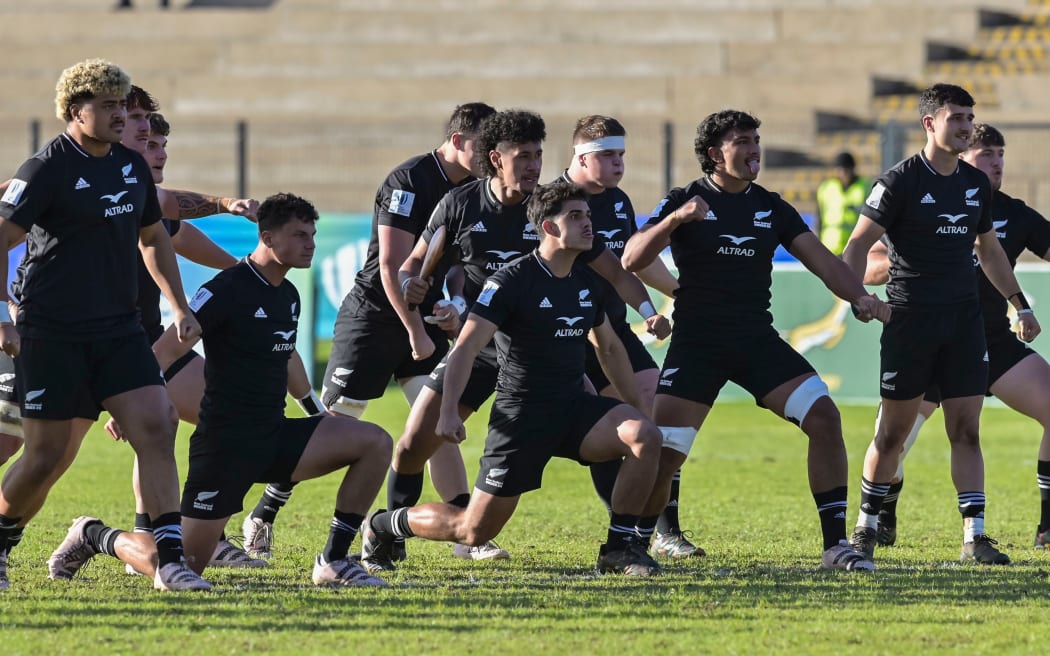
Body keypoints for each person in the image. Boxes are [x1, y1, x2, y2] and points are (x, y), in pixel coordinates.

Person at [46, 193, 393, 589]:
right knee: (178, 570)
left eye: (312, 235)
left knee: (375, 442)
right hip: (224, 448)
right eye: (299, 235)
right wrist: (135, 405)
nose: (310, 244)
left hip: (274, 436)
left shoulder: (288, 295)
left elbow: (287, 356)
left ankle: (333, 560)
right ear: (266, 237)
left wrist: (315, 411)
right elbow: (165, 350)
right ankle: (94, 534)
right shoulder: (226, 289)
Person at [376, 109, 670, 573]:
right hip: (483, 346)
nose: (534, 166)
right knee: (414, 443)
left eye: (538, 155)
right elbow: (415, 263)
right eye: (524, 156)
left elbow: (613, 272)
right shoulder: (460, 205)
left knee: (639, 434)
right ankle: (387, 533)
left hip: (544, 355)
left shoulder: (556, 210)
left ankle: (622, 545)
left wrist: (648, 311)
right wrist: (414, 285)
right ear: (496, 159)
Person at [621, 109, 888, 572]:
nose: (753, 150)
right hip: (698, 344)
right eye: (742, 141)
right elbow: (631, 257)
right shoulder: (685, 199)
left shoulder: (771, 206)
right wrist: (675, 221)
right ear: (714, 154)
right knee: (664, 455)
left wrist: (861, 296)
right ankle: (634, 547)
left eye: (756, 141)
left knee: (824, 417)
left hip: (755, 341)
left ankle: (834, 546)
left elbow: (824, 262)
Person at [239, 103, 498, 562]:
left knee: (435, 421)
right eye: (485, 147)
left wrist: (454, 303)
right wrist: (416, 330)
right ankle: (263, 513)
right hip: (375, 320)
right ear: (458, 141)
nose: (492, 157)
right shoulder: (409, 181)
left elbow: (458, 263)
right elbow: (390, 266)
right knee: (334, 427)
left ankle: (461, 527)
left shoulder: (475, 191)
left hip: (424, 318)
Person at [0, 59, 204, 591]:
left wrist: (179, 306)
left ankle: (173, 561)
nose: (120, 116)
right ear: (76, 111)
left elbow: (154, 239)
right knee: (44, 459)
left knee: (156, 429)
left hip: (119, 331)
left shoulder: (130, 166)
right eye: (109, 106)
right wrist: (3, 315)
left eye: (123, 105)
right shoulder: (45, 169)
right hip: (52, 332)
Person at [841, 84, 1040, 565]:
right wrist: (859, 298)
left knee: (967, 432)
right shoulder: (899, 181)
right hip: (911, 324)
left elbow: (989, 250)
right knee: (891, 435)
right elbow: (853, 248)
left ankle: (975, 537)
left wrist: (1019, 303)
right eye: (957, 118)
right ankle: (866, 528)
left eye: (970, 118)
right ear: (930, 123)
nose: (966, 126)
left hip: (964, 325)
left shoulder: (973, 185)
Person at [557, 115, 697, 558]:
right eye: (607, 156)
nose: (618, 164)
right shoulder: (551, 201)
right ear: (580, 157)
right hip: (567, 336)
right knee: (614, 428)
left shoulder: (616, 201)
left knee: (655, 416)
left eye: (621, 155)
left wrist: (670, 297)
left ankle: (664, 530)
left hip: (614, 328)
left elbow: (626, 264)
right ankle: (628, 528)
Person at [814, 152, 870, 255]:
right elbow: (819, 218)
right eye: (840, 169)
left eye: (846, 169)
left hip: (854, 247)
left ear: (852, 169)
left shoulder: (865, 187)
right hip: (829, 246)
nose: (843, 173)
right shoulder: (826, 188)